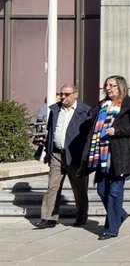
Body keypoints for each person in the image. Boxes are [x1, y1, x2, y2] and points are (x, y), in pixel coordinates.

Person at [81, 75, 130, 240]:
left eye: (111, 85)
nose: (108, 88)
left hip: (120, 155)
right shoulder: (102, 105)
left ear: (120, 87)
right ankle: (120, 214)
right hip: (100, 155)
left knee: (115, 192)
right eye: (106, 85)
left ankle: (110, 229)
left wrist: (118, 131)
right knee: (102, 190)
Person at [33, 85, 93, 229]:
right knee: (52, 187)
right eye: (61, 94)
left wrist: (86, 157)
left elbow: (89, 136)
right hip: (56, 154)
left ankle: (81, 215)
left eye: (66, 94)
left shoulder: (86, 111)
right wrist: (48, 151)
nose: (63, 97)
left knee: (79, 188)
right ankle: (49, 218)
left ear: (75, 95)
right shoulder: (55, 109)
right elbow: (51, 130)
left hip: (75, 156)